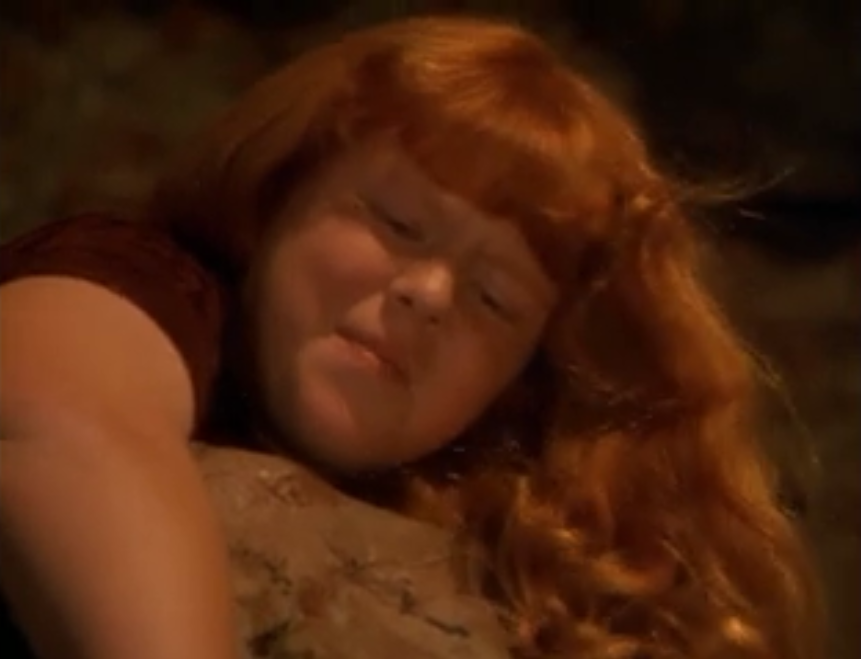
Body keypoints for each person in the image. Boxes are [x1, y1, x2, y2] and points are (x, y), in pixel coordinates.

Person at [0, 15, 822, 659]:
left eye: (495, 298)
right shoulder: (152, 280)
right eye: (395, 222)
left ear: (518, 380)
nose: (428, 294)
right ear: (279, 195)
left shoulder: (519, 541)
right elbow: (68, 422)